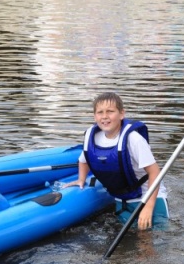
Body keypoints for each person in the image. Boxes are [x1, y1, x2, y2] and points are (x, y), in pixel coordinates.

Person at [67, 92, 169, 230]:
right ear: (94, 116)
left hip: (149, 198)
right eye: (100, 112)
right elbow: (83, 160)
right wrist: (81, 179)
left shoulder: (134, 139)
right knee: (131, 241)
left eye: (110, 111)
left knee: (148, 245)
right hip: (122, 201)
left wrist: (148, 207)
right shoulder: (91, 137)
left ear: (121, 114)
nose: (104, 116)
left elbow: (155, 172)